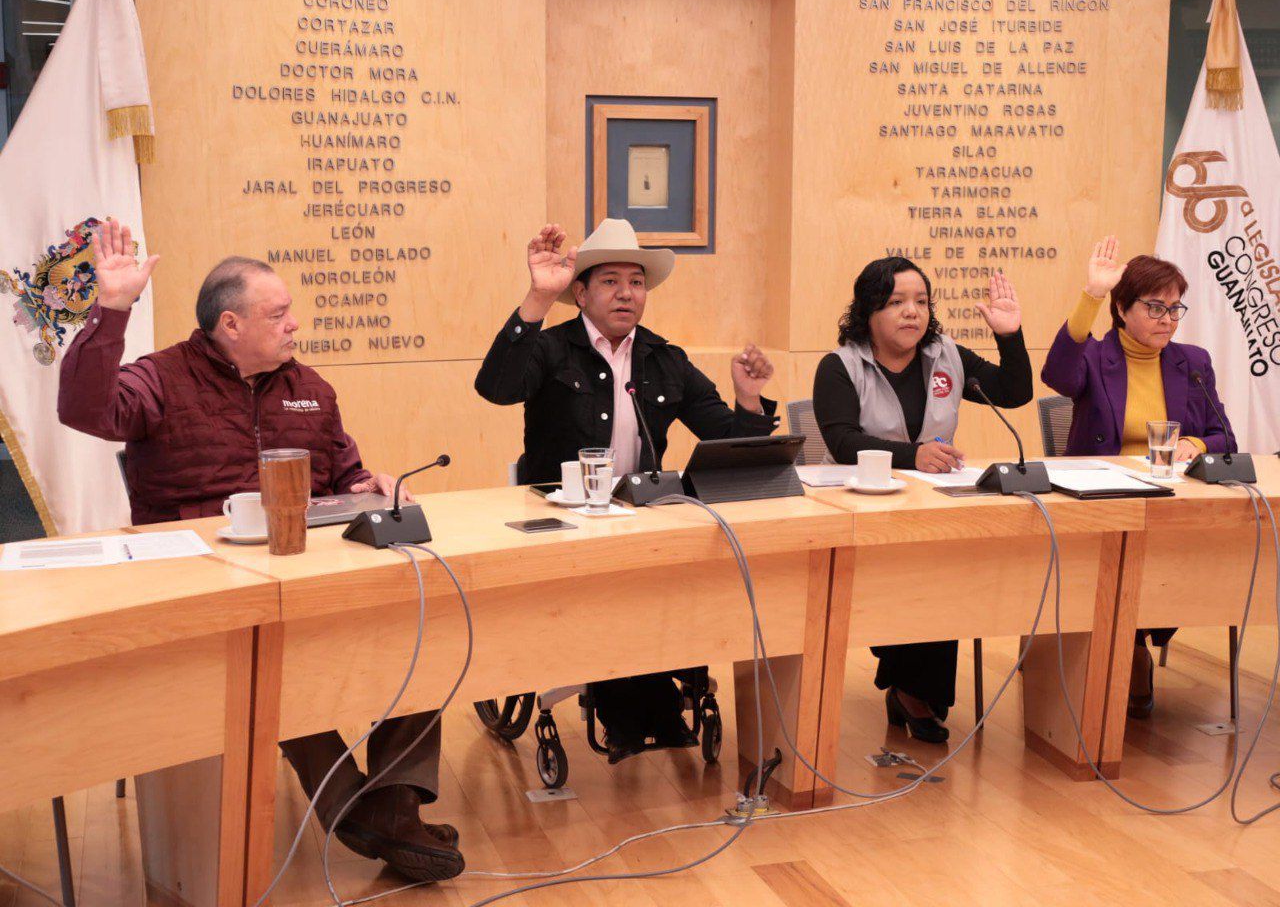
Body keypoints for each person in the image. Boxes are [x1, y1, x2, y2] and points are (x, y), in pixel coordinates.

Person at [57, 219, 463, 884]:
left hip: (305, 572)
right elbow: (84, 411)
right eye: (278, 314)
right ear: (231, 325)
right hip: (204, 587)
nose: (294, 324)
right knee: (268, 654)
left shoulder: (311, 388)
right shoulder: (161, 378)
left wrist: (374, 485)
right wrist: (112, 309)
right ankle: (352, 808)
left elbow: (345, 477)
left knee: (417, 622)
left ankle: (393, 804)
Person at [475, 218, 779, 762]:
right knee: (614, 595)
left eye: (636, 282)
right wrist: (537, 298)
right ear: (581, 293)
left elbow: (731, 444)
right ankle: (640, 715)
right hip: (562, 519)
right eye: (610, 281)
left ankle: (652, 704)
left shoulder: (665, 359)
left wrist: (749, 399)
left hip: (643, 520)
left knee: (676, 582)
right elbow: (495, 388)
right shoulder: (550, 348)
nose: (626, 293)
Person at [812, 256, 1033, 742]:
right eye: (896, 302)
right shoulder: (840, 366)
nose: (912, 312)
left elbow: (1014, 393)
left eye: (921, 301)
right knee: (912, 572)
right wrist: (914, 456)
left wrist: (1009, 336)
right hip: (861, 507)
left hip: (932, 507)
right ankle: (911, 691)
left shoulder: (945, 354)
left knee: (941, 566)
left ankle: (910, 691)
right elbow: (843, 442)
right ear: (869, 310)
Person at [1041, 236, 1236, 718]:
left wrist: (1197, 444)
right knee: (1125, 557)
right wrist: (1091, 294)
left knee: (1191, 564)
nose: (1167, 319)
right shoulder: (1095, 356)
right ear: (1122, 308)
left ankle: (1134, 636)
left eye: (1175, 309)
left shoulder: (1193, 362)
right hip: (1101, 501)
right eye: (1155, 307)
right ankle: (1127, 645)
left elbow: (1224, 435)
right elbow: (1058, 376)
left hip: (1170, 502)